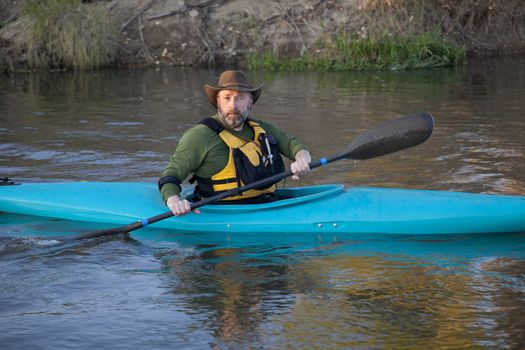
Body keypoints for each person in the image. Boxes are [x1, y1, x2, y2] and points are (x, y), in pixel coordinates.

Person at [159, 70, 311, 216]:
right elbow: (171, 174)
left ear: (250, 102)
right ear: (217, 101)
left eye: (240, 98)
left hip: (268, 204)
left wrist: (302, 158)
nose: (233, 105)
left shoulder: (261, 128)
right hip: (223, 212)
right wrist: (174, 200)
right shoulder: (199, 136)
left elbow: (293, 144)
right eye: (227, 98)